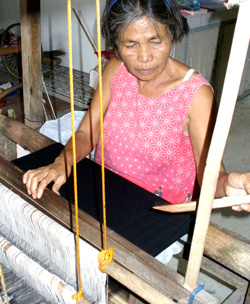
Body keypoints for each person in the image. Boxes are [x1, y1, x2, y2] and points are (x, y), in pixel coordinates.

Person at [23, 0, 250, 212]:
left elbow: (211, 175)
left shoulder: (195, 95)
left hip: (159, 209)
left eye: (155, 42)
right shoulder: (115, 69)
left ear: (171, 32)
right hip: (106, 186)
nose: (144, 58)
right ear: (116, 44)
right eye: (130, 45)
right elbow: (86, 133)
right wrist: (63, 161)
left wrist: (227, 184)